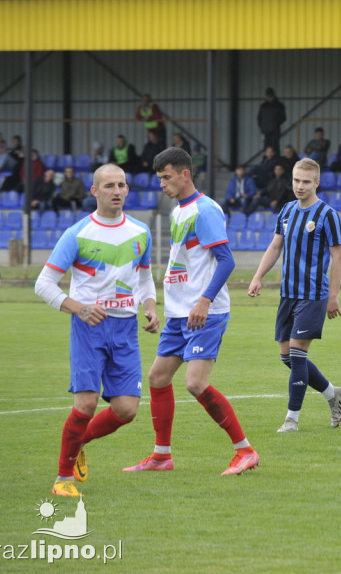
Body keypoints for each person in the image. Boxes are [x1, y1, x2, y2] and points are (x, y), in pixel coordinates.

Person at [124, 147, 259, 477]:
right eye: (159, 179)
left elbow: (226, 261)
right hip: (178, 313)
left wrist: (205, 300)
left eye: (166, 177)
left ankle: (245, 451)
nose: (162, 185)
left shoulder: (206, 210)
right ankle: (161, 456)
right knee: (157, 378)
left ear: (185, 174)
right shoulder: (178, 211)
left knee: (196, 384)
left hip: (204, 313)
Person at [33, 164, 159, 497]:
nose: (117, 191)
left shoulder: (140, 232)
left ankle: (79, 442)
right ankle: (63, 479)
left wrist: (150, 306)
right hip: (89, 327)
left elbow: (144, 276)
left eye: (122, 185)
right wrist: (79, 307)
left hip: (126, 328)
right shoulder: (77, 234)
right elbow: (43, 284)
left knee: (127, 410)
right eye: (109, 186)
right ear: (95, 191)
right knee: (86, 404)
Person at [248, 158, 341, 432]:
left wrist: (333, 295)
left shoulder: (327, 215)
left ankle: (291, 419)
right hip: (288, 293)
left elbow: (338, 256)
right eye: (296, 181)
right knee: (287, 356)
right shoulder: (288, 210)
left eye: (306, 181)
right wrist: (258, 277)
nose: (300, 186)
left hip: (314, 294)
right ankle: (332, 394)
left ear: (317, 183)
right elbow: (275, 247)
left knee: (297, 352)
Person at [257, 87, 287, 154]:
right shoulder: (263, 106)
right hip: (265, 130)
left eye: (271, 96)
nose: (269, 98)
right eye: (268, 96)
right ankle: (267, 160)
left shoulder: (279, 105)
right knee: (266, 146)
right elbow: (259, 118)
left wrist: (275, 124)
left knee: (275, 146)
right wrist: (262, 127)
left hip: (275, 130)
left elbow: (283, 117)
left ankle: (276, 161)